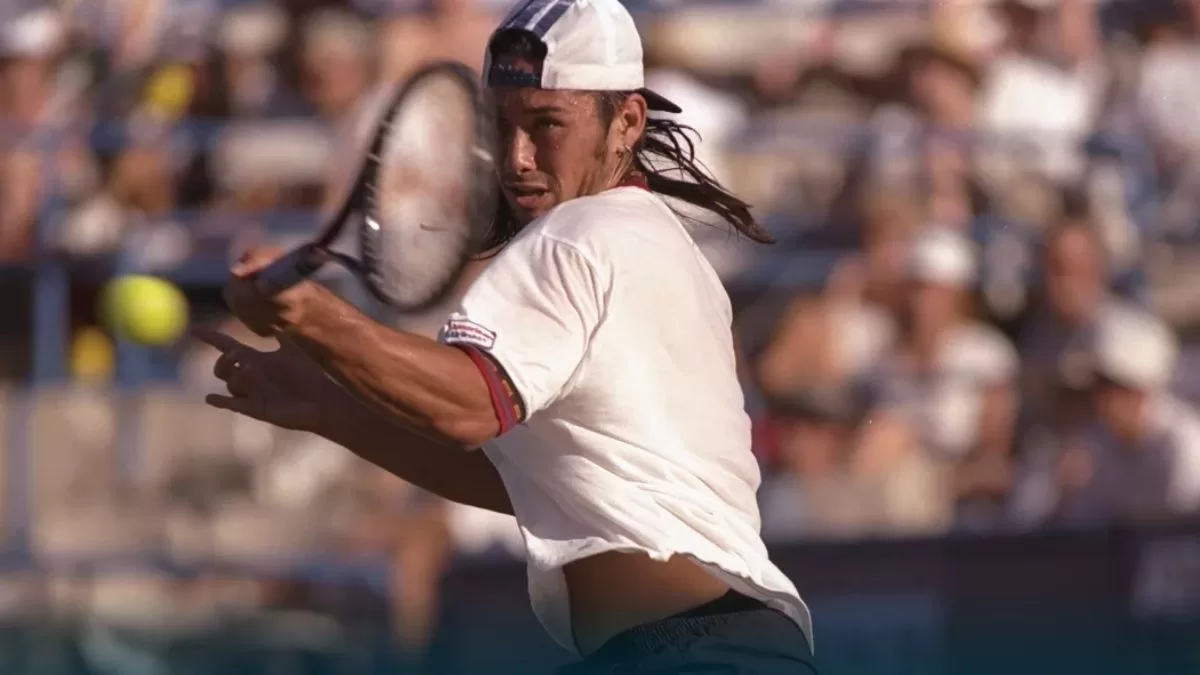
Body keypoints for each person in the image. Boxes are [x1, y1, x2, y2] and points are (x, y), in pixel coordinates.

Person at [197, 1, 815, 673]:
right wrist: (331, 407)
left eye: (546, 124)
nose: (518, 158)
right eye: (502, 125)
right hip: (728, 646)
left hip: (691, 654)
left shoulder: (578, 235)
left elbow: (469, 407)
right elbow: (521, 478)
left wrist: (312, 317)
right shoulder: (656, 244)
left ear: (627, 122)